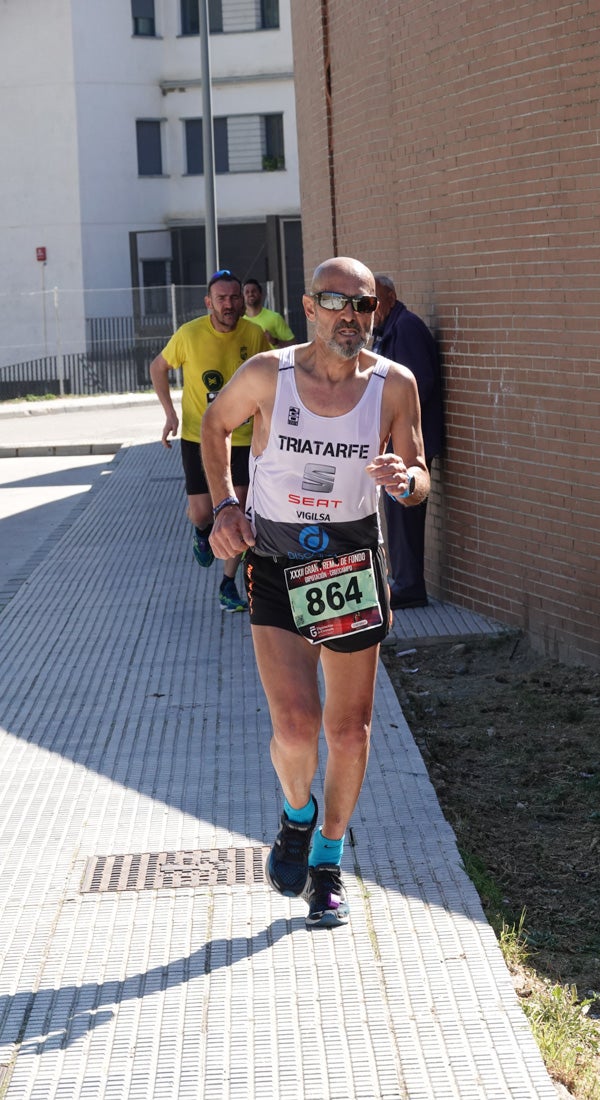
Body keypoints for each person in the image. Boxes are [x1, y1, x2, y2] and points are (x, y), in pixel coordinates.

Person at [201, 256, 429, 928]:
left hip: (351, 564)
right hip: (274, 559)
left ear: (372, 313)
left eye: (361, 305)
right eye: (335, 302)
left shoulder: (393, 385)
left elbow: (420, 478)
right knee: (296, 727)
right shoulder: (268, 375)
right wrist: (224, 507)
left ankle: (327, 862)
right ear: (308, 306)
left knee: (349, 732)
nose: (349, 316)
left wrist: (403, 480)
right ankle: (296, 815)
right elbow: (213, 427)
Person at [150, 269, 270, 612]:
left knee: (241, 511)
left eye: (234, 297)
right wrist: (170, 414)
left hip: (246, 440)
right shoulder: (188, 334)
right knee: (201, 512)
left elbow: (269, 381)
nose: (229, 304)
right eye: (222, 299)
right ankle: (202, 531)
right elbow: (157, 367)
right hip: (199, 437)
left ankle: (228, 584)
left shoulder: (255, 334)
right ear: (209, 303)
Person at [372, 275, 443, 609]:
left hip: (411, 441)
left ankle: (409, 585)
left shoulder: (407, 327)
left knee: (404, 509)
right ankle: (402, 580)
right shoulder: (388, 328)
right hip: (395, 440)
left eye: (374, 300)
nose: (369, 310)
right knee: (395, 512)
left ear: (391, 296)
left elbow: (419, 385)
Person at [242, 278, 296, 348]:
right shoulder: (240, 322)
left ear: (261, 294)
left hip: (273, 358)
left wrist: (274, 341)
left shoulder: (275, 318)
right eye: (247, 292)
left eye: (254, 291)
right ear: (243, 296)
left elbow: (293, 345)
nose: (250, 294)